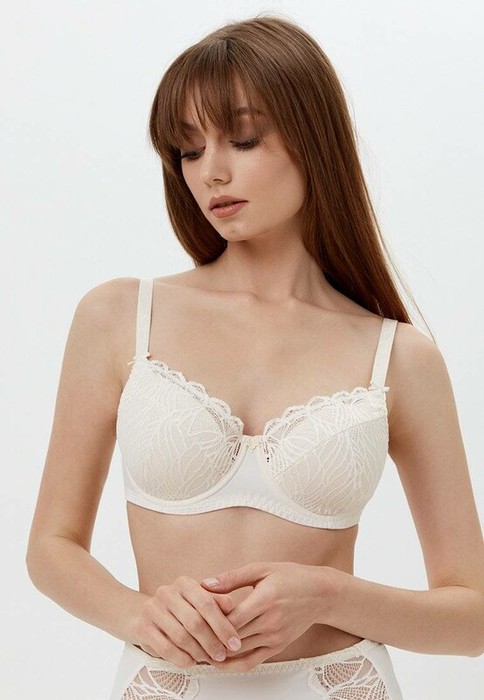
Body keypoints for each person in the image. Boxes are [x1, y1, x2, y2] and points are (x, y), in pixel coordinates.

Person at [26, 14, 484, 700]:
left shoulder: (399, 358)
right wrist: (139, 616)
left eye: (242, 139)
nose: (211, 171)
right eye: (188, 149)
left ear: (314, 138)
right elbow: (50, 548)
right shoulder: (120, 317)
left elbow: (473, 619)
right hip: (167, 684)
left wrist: (329, 594)